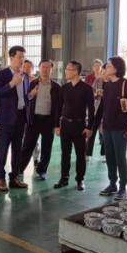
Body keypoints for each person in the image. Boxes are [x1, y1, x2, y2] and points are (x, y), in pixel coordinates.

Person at [98, 57, 127, 199]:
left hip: (121, 128)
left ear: (116, 68)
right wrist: (101, 124)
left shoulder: (125, 84)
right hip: (107, 127)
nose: (106, 68)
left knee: (120, 157)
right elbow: (105, 107)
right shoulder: (107, 85)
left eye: (109, 66)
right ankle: (112, 183)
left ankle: (122, 187)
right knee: (109, 156)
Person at [54, 60, 94, 191]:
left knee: (80, 154)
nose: (65, 71)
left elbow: (91, 109)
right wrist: (57, 125)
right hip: (65, 124)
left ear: (76, 71)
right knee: (65, 154)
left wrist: (89, 127)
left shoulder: (87, 89)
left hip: (80, 125)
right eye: (66, 69)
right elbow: (58, 107)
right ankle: (64, 178)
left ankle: (80, 179)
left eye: (68, 69)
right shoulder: (64, 88)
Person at [0, 46, 30, 192]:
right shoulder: (1, 74)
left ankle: (14, 178)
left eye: (23, 57)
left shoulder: (25, 75)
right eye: (19, 57)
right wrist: (12, 84)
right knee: (3, 150)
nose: (22, 60)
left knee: (17, 150)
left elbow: (24, 96)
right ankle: (0, 178)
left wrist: (31, 95)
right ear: (11, 58)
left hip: (21, 118)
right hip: (6, 119)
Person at [19, 59, 61, 181]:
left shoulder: (56, 87)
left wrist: (57, 124)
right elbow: (26, 99)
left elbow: (59, 107)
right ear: (39, 68)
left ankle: (42, 171)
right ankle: (19, 169)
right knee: (27, 145)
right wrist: (32, 94)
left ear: (51, 70)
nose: (45, 70)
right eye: (43, 67)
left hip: (49, 120)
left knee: (46, 147)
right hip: (34, 120)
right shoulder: (32, 83)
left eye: (48, 67)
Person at [86, 60, 105, 157]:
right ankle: (88, 153)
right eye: (95, 65)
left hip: (106, 107)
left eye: (99, 66)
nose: (97, 67)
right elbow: (89, 91)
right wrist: (96, 94)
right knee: (92, 129)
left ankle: (104, 153)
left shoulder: (109, 80)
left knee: (105, 131)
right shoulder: (94, 79)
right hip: (95, 106)